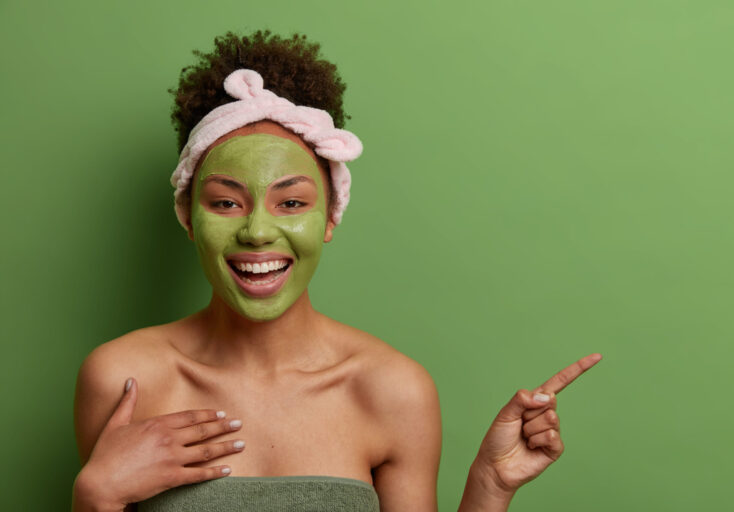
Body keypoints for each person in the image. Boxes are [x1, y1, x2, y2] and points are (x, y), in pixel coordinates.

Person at [71, 30, 601, 512]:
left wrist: (490, 486)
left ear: (330, 216)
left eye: (292, 203)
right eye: (226, 203)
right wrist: (94, 496)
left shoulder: (392, 389)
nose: (257, 231)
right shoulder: (122, 379)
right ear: (188, 215)